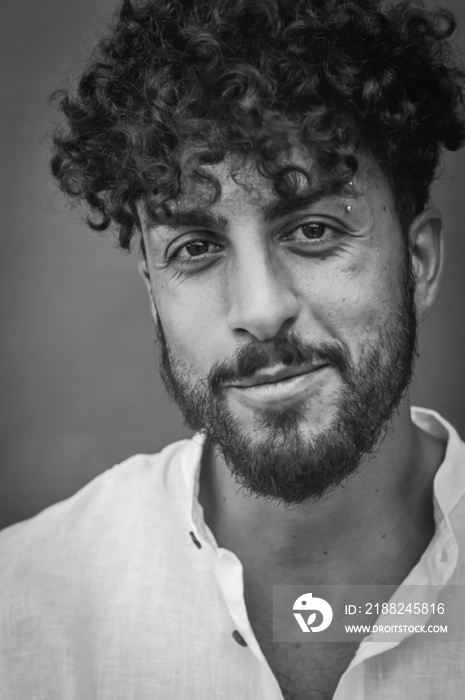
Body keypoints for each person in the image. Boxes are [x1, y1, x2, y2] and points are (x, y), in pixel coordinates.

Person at [1, 0, 465, 697]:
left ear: (419, 261)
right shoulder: (24, 608)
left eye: (312, 231)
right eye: (195, 248)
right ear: (153, 292)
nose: (260, 310)